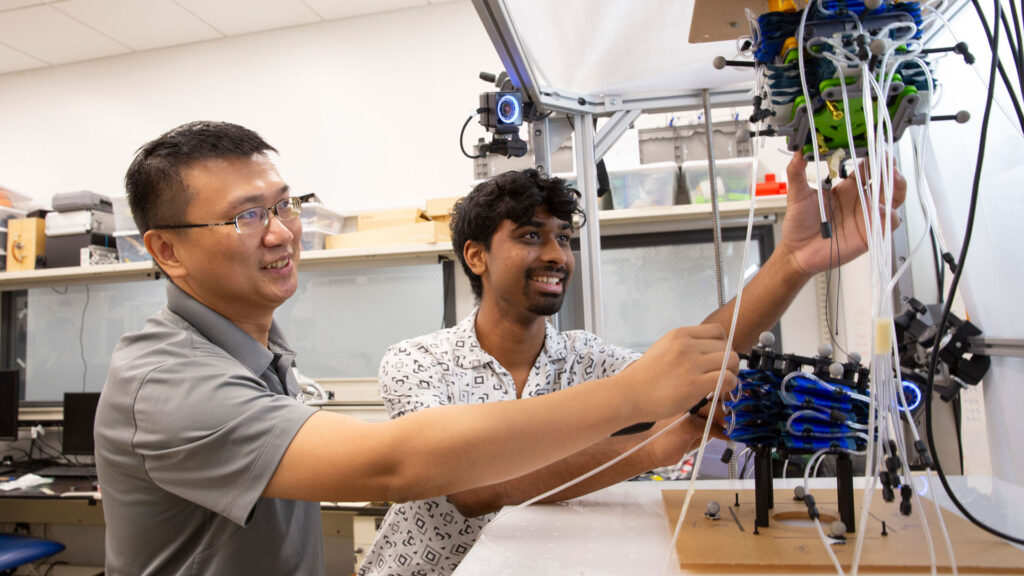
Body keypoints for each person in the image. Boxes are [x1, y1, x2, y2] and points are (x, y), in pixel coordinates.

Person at [93, 121, 739, 576]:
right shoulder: (171, 382)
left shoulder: (261, 355)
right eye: (246, 216)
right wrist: (636, 406)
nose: (282, 232)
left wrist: (790, 263)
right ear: (167, 251)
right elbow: (399, 467)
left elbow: (704, 361)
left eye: (285, 205)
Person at [359, 160, 907, 576]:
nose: (556, 255)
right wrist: (654, 445)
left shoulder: (585, 359)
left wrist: (791, 262)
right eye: (531, 235)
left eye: (563, 239)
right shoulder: (418, 361)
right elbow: (471, 486)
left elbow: (691, 363)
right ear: (476, 257)